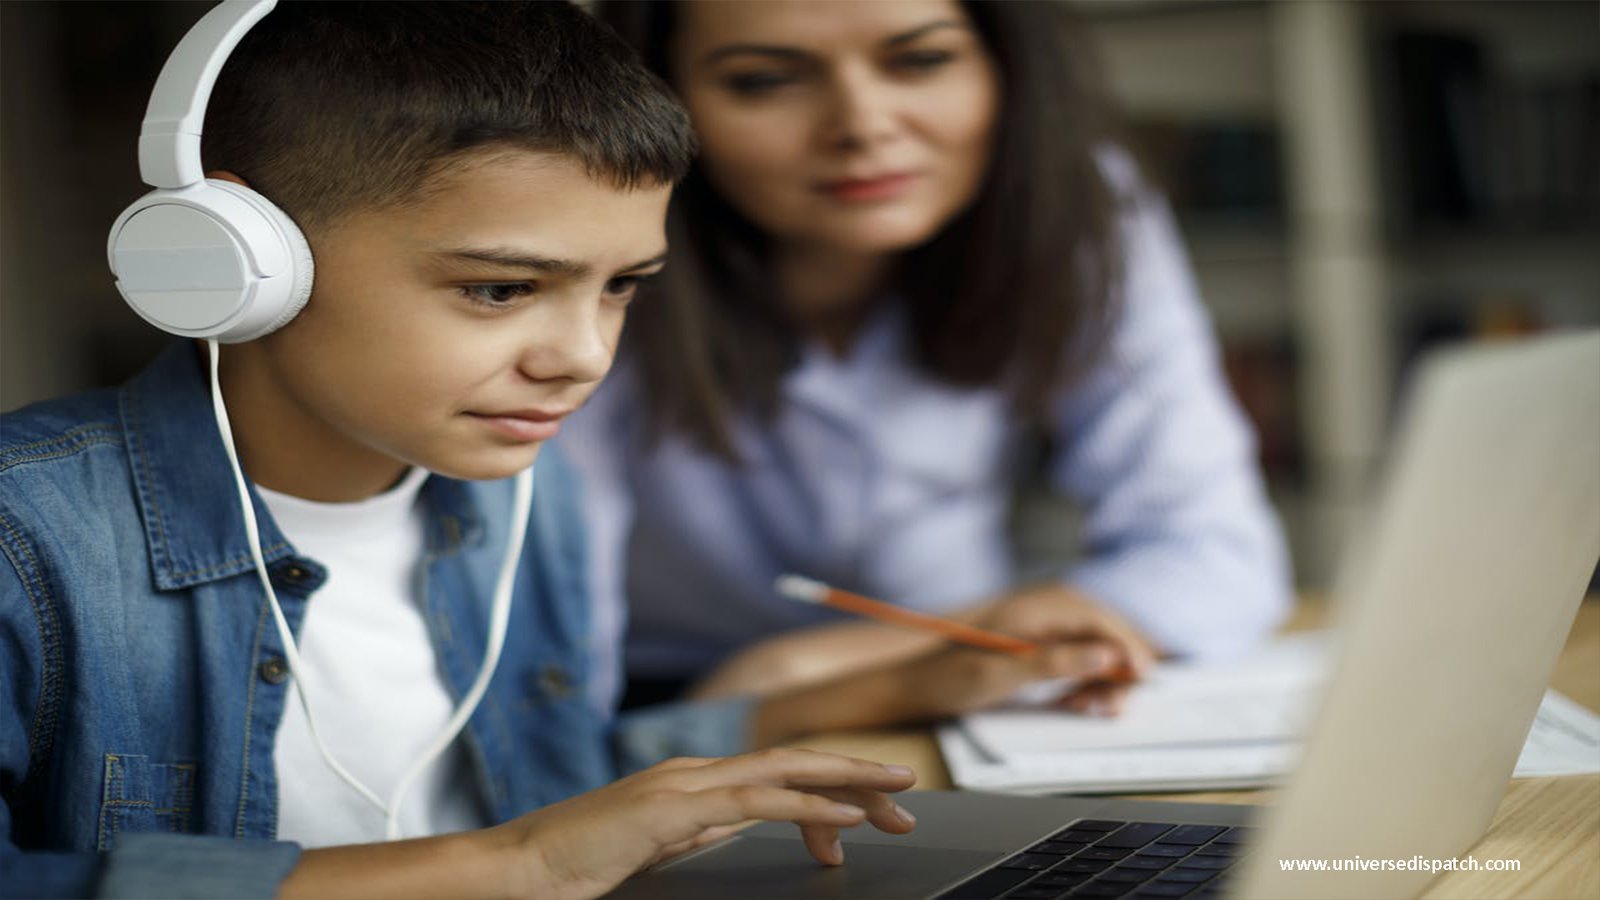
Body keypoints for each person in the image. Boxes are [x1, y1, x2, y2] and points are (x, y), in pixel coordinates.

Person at [0, 4, 920, 898]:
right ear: (240, 258)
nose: (583, 359)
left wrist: (909, 687)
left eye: (623, 287)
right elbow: (538, 850)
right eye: (500, 289)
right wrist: (517, 869)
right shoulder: (26, 539)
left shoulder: (521, 490)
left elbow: (556, 790)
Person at [559, 0, 1294, 744]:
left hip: (955, 684)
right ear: (657, 99)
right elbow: (550, 695)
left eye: (922, 61)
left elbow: (1217, 561)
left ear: (1006, 65)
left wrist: (821, 667)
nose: (863, 125)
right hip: (662, 710)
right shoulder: (584, 249)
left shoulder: (1078, 205)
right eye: (763, 81)